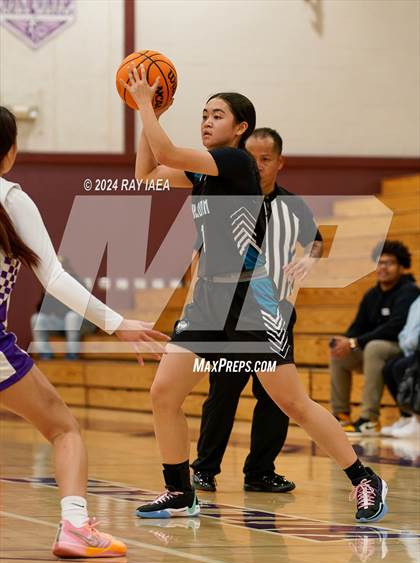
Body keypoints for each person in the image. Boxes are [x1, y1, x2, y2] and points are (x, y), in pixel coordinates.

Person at [123, 64, 388, 523]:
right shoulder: (202, 172)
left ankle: (364, 477)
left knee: (292, 402)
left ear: (240, 127)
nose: (207, 121)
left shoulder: (236, 162)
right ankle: (180, 490)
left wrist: (146, 104)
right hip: (209, 301)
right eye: (203, 114)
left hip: (252, 301)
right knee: (164, 393)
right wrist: (152, 114)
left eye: (217, 115)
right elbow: (146, 172)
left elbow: (165, 151)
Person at [0, 106, 169, 558]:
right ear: (10, 152)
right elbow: (54, 277)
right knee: (64, 431)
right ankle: (74, 527)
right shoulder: (11, 198)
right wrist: (117, 323)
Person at [191, 127, 323, 493]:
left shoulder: (293, 205)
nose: (259, 165)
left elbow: (315, 242)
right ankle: (204, 468)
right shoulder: (225, 198)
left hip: (274, 311)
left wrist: (309, 260)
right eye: (252, 159)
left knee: (275, 399)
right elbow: (201, 251)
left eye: (266, 159)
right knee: (223, 392)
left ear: (280, 162)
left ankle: (260, 471)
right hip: (230, 310)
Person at [330, 240, 418, 435]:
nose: (383, 267)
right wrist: (344, 341)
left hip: (401, 348)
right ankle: (341, 415)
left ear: (401, 266)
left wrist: (356, 342)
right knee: (339, 353)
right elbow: (357, 327)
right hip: (375, 351)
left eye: (389, 263)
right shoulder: (372, 294)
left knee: (374, 347)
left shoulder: (409, 291)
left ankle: (369, 419)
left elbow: (395, 327)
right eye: (379, 263)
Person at [31, 256, 96, 360]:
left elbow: (85, 309)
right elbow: (42, 311)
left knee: (71, 317)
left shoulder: (77, 282)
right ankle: (45, 354)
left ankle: (72, 354)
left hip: (83, 322)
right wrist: (46, 296)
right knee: (37, 319)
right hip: (64, 322)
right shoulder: (52, 283)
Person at [382, 296, 420, 438]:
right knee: (389, 368)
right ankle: (407, 416)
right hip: (411, 349)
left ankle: (417, 418)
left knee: (403, 367)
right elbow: (406, 330)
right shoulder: (416, 301)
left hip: (416, 349)